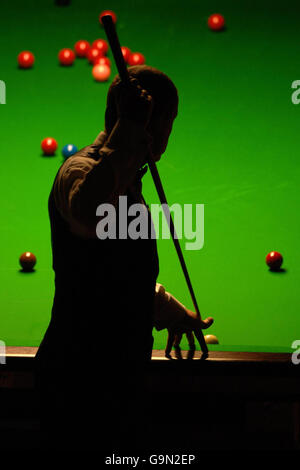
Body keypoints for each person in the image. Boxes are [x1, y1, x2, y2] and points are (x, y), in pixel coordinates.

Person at [35, 65, 213, 451]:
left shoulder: (127, 177)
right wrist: (131, 132)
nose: (170, 134)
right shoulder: (80, 171)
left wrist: (167, 310)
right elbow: (87, 211)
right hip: (77, 385)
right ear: (150, 123)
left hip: (119, 382)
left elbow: (111, 274)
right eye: (169, 121)